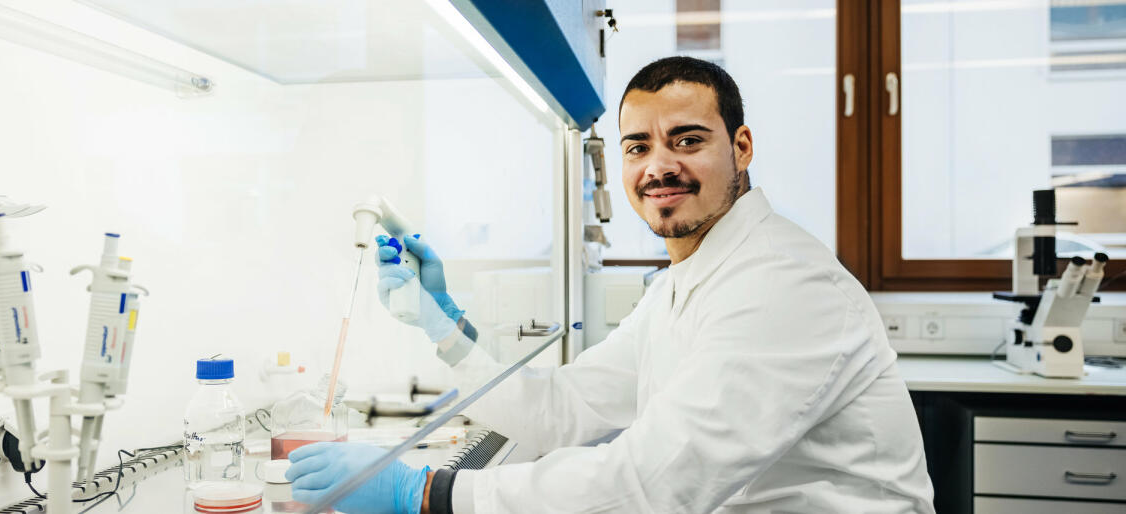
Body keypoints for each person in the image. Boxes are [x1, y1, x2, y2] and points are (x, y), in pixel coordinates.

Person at [285, 56, 936, 513]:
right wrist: (442, 328)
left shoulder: (780, 285)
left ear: (741, 148)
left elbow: (653, 485)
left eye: (687, 140)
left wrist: (423, 493)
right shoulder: (688, 280)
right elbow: (562, 411)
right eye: (637, 147)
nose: (659, 167)